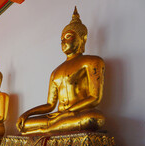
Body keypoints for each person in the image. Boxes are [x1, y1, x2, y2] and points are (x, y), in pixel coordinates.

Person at [17, 7, 105, 135]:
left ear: (83, 38)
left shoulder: (91, 62)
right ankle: (47, 128)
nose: (63, 41)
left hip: (78, 114)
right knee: (25, 124)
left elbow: (94, 98)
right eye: (61, 39)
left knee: (95, 118)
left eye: (68, 36)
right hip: (58, 116)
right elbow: (49, 105)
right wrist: (26, 114)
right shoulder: (55, 72)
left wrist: (68, 112)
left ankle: (45, 130)